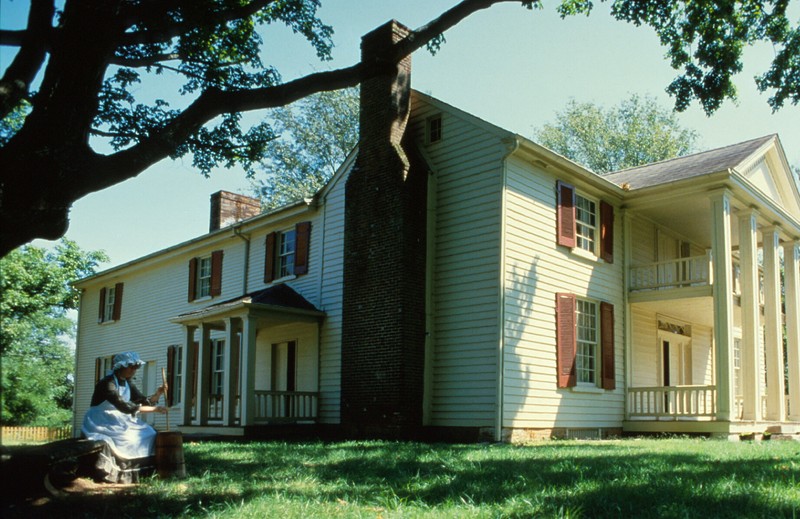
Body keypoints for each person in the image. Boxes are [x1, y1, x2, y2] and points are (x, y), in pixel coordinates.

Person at [81, 351, 168, 482]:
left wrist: (159, 393)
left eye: (136, 367)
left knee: (150, 433)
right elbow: (124, 406)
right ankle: (115, 472)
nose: (134, 370)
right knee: (127, 439)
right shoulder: (107, 383)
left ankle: (144, 471)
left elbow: (143, 401)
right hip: (101, 419)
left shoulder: (128, 383)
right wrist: (155, 409)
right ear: (120, 366)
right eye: (131, 367)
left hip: (120, 418)